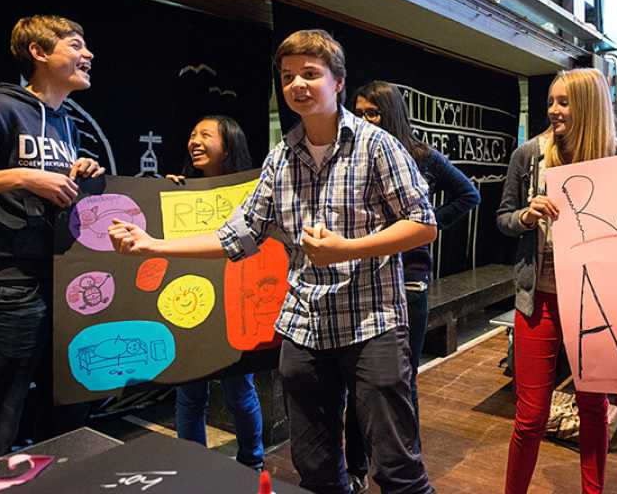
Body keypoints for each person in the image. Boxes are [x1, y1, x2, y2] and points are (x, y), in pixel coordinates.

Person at [108, 29, 436, 494]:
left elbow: (423, 224)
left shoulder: (376, 145)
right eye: (287, 77)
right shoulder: (280, 158)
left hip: (373, 322)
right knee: (316, 468)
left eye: (310, 74)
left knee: (398, 468)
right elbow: (236, 237)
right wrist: (152, 244)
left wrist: (347, 248)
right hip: (304, 326)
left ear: (338, 81)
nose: (298, 84)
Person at [0, 15, 104, 457]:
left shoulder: (68, 124)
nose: (89, 55)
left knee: (62, 405)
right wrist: (23, 176)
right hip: (11, 282)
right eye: (76, 45)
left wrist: (78, 172)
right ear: (39, 53)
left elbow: (49, 187)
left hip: (63, 280)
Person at [345, 81, 480, 492]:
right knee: (356, 380)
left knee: (401, 381)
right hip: (363, 277)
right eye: (360, 112)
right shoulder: (352, 155)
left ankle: (407, 469)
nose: (366, 120)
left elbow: (469, 195)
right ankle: (355, 465)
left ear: (392, 114)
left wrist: (425, 225)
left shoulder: (421, 156)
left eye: (374, 113)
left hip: (408, 280)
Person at [498, 68, 617, 494]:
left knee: (594, 407)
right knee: (530, 415)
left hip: (594, 301)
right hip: (539, 298)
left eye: (563, 102)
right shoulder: (529, 154)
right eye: (550, 101)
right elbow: (503, 218)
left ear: (587, 106)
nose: (553, 110)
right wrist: (526, 216)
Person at [165, 115, 264, 470]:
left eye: (205, 134)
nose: (195, 141)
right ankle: (191, 467)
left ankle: (252, 466)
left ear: (230, 144)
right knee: (189, 395)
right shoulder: (179, 188)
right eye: (192, 134)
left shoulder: (252, 194)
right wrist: (167, 193)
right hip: (190, 305)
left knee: (240, 392)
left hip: (235, 306)